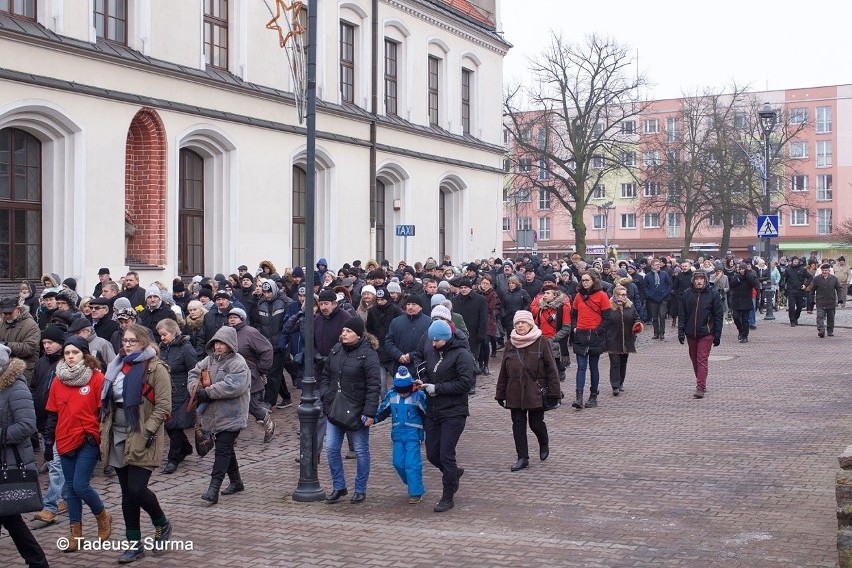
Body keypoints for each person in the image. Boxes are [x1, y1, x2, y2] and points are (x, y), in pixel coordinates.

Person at [99, 323, 173, 562]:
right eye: (125, 340)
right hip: (118, 430)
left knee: (137, 488)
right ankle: (134, 544)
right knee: (126, 493)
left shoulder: (155, 368)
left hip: (142, 431)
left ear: (144, 341)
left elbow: (163, 407)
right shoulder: (117, 366)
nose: (127, 344)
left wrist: (148, 430)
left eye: (132, 341)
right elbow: (109, 399)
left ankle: (161, 522)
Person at [44, 336, 112, 553]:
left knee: (81, 485)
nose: (71, 356)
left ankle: (102, 515)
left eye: (75, 352)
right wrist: (48, 442)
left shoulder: (96, 378)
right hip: (64, 438)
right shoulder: (57, 380)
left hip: (88, 438)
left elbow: (105, 411)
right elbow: (52, 413)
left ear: (84, 354)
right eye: (67, 353)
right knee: (70, 489)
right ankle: (76, 532)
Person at [414, 320, 476, 513]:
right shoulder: (433, 352)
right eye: (432, 340)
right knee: (432, 454)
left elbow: (466, 383)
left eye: (437, 341)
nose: (433, 344)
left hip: (454, 412)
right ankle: (453, 474)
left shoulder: (462, 355)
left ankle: (448, 495)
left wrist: (437, 389)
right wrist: (423, 382)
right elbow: (429, 373)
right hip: (433, 411)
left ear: (447, 338)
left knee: (446, 454)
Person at [318, 316, 381, 504]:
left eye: (349, 331)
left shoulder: (368, 354)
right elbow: (326, 375)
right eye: (343, 331)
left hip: (357, 410)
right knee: (331, 449)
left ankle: (360, 488)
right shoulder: (336, 350)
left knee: (361, 450)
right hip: (335, 407)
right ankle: (339, 486)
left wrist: (370, 412)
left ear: (359, 335)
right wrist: (326, 395)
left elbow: (373, 385)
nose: (344, 334)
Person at [187, 326, 251, 505]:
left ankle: (213, 488)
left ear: (230, 344)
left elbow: (233, 386)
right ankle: (237, 482)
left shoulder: (238, 363)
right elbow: (193, 373)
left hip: (231, 415)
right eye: (216, 342)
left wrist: (207, 392)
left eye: (222, 343)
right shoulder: (209, 360)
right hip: (213, 415)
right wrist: (195, 388)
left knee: (222, 450)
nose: (218, 346)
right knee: (226, 449)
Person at [0, 344, 50, 567]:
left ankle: (38, 561)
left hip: (10, 461)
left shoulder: (15, 387)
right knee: (11, 519)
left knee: (11, 518)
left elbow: (27, 426)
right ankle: (37, 561)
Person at [495, 310, 560, 472]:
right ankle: (522, 457)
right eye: (517, 323)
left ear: (530, 324)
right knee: (518, 424)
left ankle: (543, 441)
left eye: (523, 322)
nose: (520, 325)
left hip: (535, 391)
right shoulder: (510, 343)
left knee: (536, 423)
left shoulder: (541, 342)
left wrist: (554, 392)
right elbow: (504, 370)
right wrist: (500, 393)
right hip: (514, 391)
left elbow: (552, 369)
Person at [375, 366, 428, 503]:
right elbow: (383, 411)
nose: (403, 394)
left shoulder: (418, 396)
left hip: (413, 436)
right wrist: (372, 419)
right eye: (400, 391)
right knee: (398, 463)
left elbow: (427, 415)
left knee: (412, 464)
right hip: (397, 435)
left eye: (405, 391)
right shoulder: (391, 396)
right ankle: (411, 482)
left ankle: (416, 491)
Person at [227, 307, 276, 443]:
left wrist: (262, 369)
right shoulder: (226, 332)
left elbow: (267, 349)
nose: (232, 320)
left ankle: (269, 425)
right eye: (230, 317)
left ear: (242, 318)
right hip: (232, 375)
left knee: (251, 405)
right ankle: (230, 434)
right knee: (232, 405)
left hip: (250, 374)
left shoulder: (251, 332)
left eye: (235, 317)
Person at [156, 319, 198, 474]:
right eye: (160, 335)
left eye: (164, 334)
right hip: (165, 392)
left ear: (173, 333)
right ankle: (185, 448)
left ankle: (173, 459)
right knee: (170, 425)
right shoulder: (162, 348)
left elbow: (194, 370)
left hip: (182, 392)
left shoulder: (186, 348)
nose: (162, 338)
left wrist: (192, 392)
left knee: (175, 425)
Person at [678, 269, 723, 398]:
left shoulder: (712, 294)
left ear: (705, 280)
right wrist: (681, 331)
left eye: (701, 279)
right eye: (697, 279)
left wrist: (717, 334)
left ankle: (700, 387)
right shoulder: (687, 294)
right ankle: (701, 381)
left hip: (706, 332)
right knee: (694, 360)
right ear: (693, 280)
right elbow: (683, 314)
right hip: (691, 332)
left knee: (701, 359)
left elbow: (718, 315)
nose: (699, 281)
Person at [570, 269, 611, 409]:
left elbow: (607, 317)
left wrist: (598, 331)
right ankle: (579, 397)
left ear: (594, 281)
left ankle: (593, 396)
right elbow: (573, 314)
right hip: (581, 333)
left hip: (595, 335)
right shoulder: (578, 296)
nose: (584, 282)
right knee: (581, 367)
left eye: (587, 280)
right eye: (583, 280)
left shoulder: (602, 296)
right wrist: (575, 327)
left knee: (593, 367)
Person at [605, 285, 641, 397]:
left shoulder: (630, 306)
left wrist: (637, 325)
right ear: (616, 295)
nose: (625, 296)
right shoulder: (609, 307)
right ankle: (615, 385)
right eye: (622, 294)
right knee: (615, 362)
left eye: (626, 294)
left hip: (627, 339)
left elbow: (636, 318)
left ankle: (620, 383)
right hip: (613, 338)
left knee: (623, 362)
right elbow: (605, 321)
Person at [0, 297, 41, 385]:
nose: (7, 316)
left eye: (10, 313)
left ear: (18, 309)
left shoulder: (31, 325)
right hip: (3, 369)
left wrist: (7, 345)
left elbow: (29, 348)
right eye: (4, 313)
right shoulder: (2, 323)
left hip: (23, 371)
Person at [727, 262, 758, 343]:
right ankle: (740, 330)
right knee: (736, 317)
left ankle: (745, 336)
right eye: (740, 269)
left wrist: (747, 275)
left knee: (745, 319)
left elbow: (754, 284)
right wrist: (737, 280)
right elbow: (731, 285)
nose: (741, 271)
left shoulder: (749, 277)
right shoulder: (736, 277)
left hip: (746, 301)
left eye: (743, 269)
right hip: (737, 301)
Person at [811, 263, 844, 338]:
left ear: (829, 270)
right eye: (823, 270)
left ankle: (830, 330)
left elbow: (839, 288)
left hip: (831, 301)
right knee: (820, 316)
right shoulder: (816, 279)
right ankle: (821, 330)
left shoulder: (834, 279)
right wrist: (811, 300)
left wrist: (840, 299)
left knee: (831, 318)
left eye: (826, 270)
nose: (824, 272)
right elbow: (812, 290)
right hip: (820, 301)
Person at [644, 259, 672, 340]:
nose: (658, 266)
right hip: (652, 299)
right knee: (655, 317)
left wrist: (665, 293)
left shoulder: (664, 274)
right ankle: (656, 332)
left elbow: (669, 284)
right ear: (652, 266)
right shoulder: (648, 275)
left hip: (663, 298)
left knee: (662, 315)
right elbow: (645, 286)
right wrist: (649, 294)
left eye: (659, 264)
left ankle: (662, 333)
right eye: (656, 264)